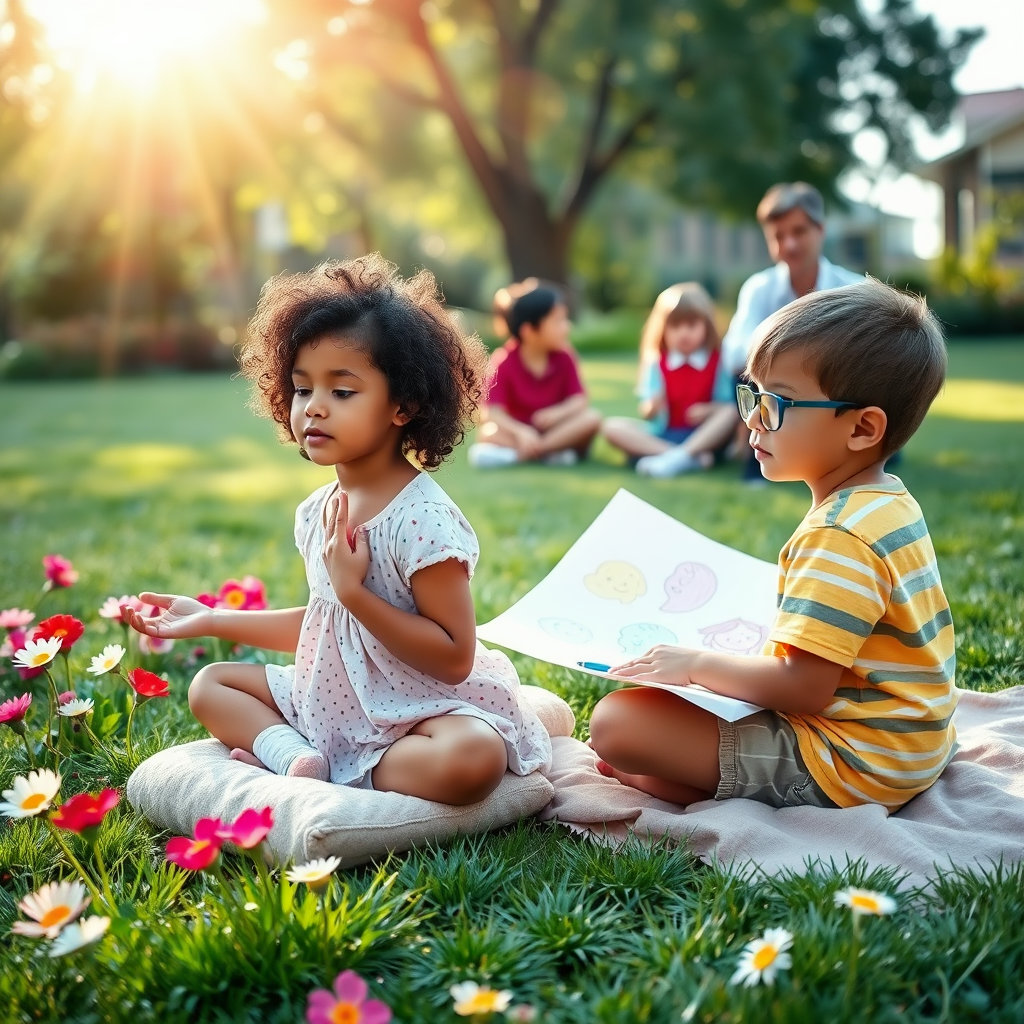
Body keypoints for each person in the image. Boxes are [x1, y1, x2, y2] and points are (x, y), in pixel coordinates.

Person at [127, 254, 550, 805]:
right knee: (211, 684)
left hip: (420, 706)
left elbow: (453, 656)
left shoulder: (422, 519)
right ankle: (296, 758)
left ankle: (339, 770)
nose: (314, 410)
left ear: (404, 405)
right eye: (303, 390)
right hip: (336, 695)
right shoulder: (317, 511)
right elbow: (325, 626)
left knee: (473, 759)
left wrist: (355, 592)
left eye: (342, 392)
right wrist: (211, 619)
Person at [588, 278, 956, 813]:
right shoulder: (888, 501)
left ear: (862, 428)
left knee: (618, 722)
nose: (753, 420)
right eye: (752, 394)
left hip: (855, 762)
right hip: (911, 744)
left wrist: (694, 664)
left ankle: (686, 784)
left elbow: (803, 689)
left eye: (778, 402)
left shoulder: (838, 534)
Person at [636, 181, 862, 478]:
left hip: (834, 392)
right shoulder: (759, 289)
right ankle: (757, 462)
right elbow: (734, 356)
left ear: (820, 229)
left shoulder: (854, 291)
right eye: (778, 236)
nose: (789, 245)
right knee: (745, 379)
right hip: (777, 392)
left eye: (799, 232)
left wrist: (781, 352)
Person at [468, 280, 601, 468]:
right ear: (529, 331)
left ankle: (525, 454)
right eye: (558, 321)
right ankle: (551, 453)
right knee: (489, 432)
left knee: (591, 419)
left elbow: (579, 400)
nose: (567, 327)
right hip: (519, 434)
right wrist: (521, 431)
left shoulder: (565, 357)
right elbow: (491, 413)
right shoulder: (503, 362)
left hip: (557, 430)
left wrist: (557, 413)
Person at [601, 282, 726, 468]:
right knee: (612, 427)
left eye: (691, 325)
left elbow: (726, 403)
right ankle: (678, 457)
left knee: (729, 413)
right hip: (662, 435)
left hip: (701, 435)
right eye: (675, 325)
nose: (683, 333)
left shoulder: (717, 362)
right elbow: (647, 412)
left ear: (706, 326)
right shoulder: (657, 364)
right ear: (663, 328)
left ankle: (679, 455)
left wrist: (709, 410)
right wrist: (652, 407)